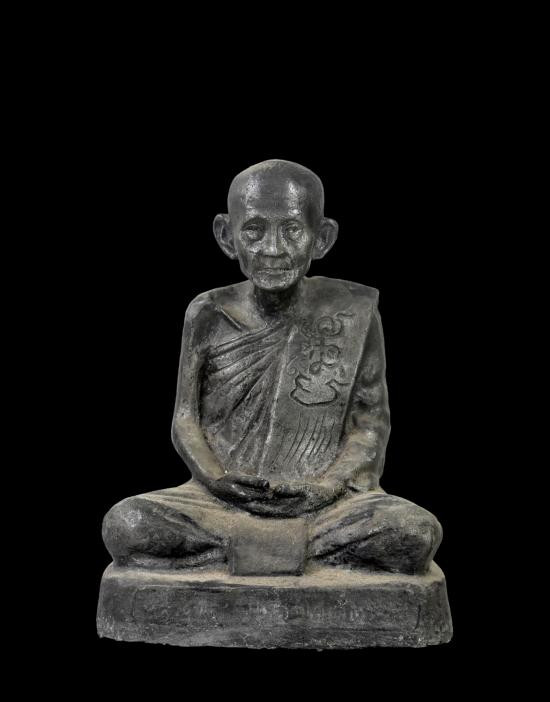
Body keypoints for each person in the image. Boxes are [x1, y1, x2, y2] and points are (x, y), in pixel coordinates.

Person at [102, 159, 442, 575]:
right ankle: (293, 551)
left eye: (292, 230)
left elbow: (369, 427)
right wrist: (215, 478)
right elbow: (185, 419)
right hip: (222, 501)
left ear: (322, 238)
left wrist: (325, 487)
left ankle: (243, 550)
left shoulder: (352, 313)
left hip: (324, 505)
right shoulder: (208, 314)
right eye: (253, 230)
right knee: (128, 524)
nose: (273, 249)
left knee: (414, 532)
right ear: (226, 236)